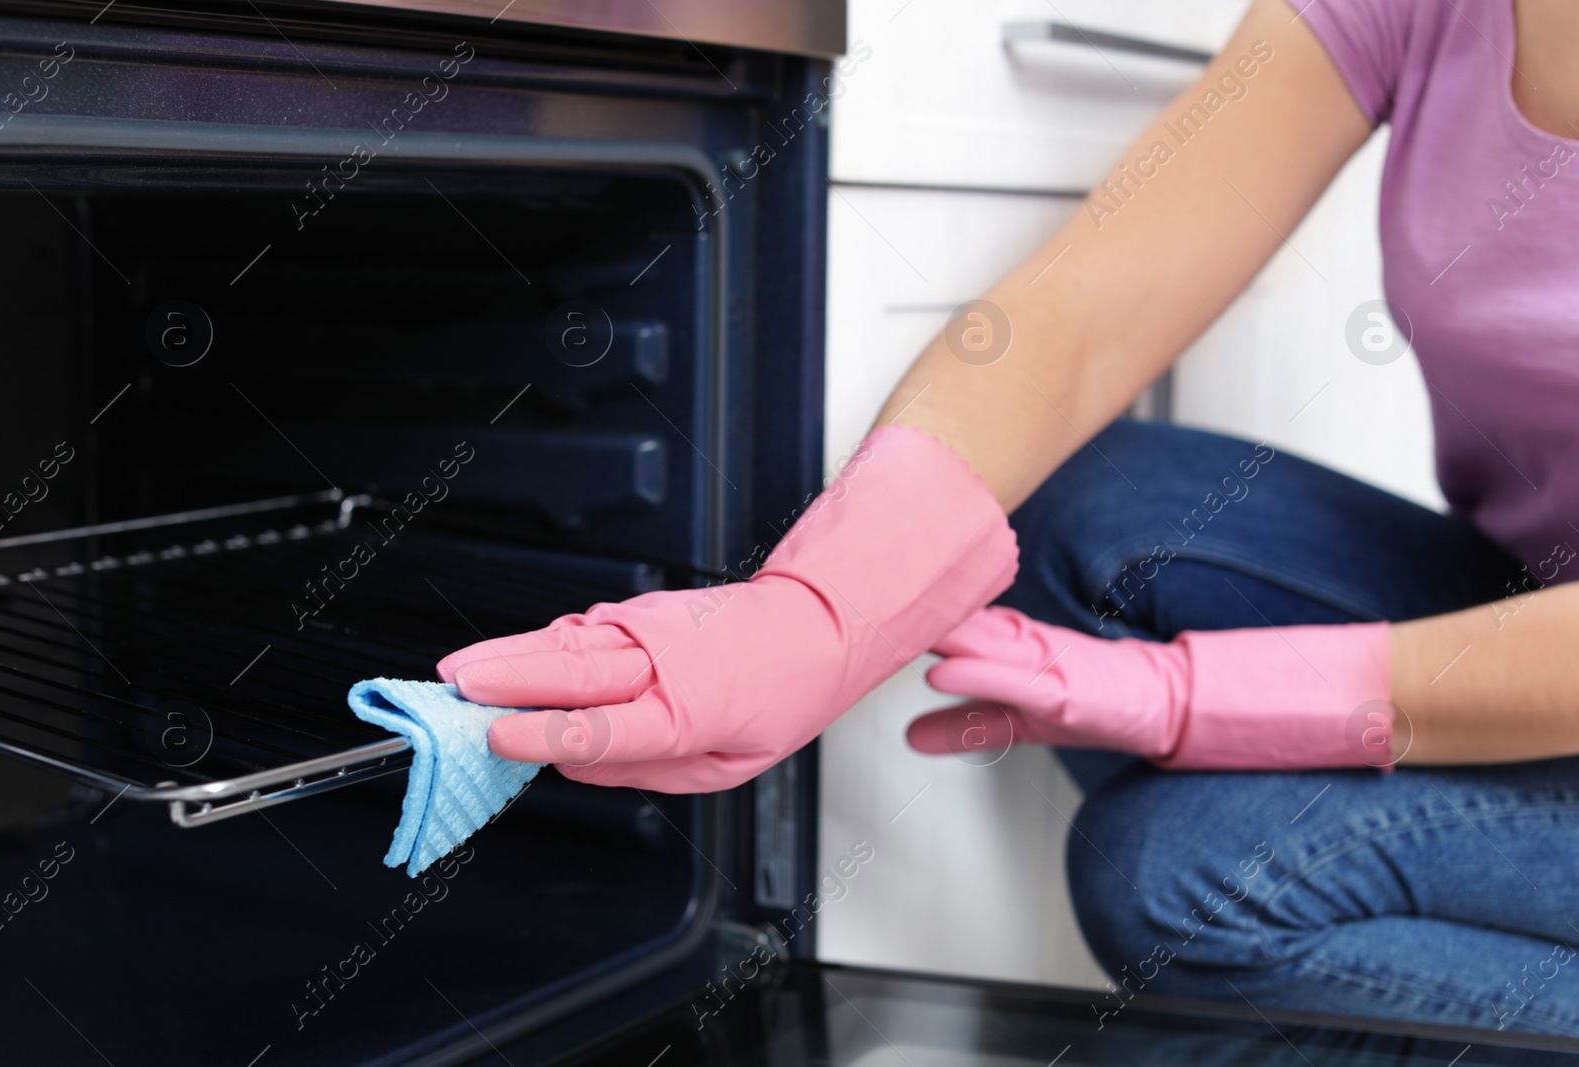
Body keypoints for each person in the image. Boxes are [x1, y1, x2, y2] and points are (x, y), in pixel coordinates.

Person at [436, 0, 1579, 1035]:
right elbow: (1088, 304)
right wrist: (818, 608)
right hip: (1522, 592)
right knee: (1085, 508)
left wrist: (1185, 700)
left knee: (1184, 874)